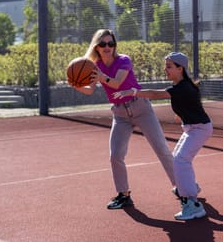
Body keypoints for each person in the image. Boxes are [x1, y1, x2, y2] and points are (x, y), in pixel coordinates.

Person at [73, 29, 176, 210]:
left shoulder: (123, 60)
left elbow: (117, 83)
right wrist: (76, 84)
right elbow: (89, 90)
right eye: (103, 44)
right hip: (120, 114)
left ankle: (183, 188)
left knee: (162, 149)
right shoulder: (94, 66)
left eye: (110, 43)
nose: (107, 47)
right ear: (97, 46)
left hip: (141, 107)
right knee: (115, 156)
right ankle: (124, 194)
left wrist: (101, 77)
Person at [113, 52, 213, 221]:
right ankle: (191, 192)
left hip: (200, 129)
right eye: (165, 66)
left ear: (180, 68)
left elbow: (155, 94)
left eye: (169, 66)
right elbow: (191, 104)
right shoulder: (183, 86)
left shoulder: (182, 87)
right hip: (192, 128)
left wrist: (133, 92)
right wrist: (182, 114)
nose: (165, 69)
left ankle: (193, 204)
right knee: (177, 159)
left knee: (181, 159)